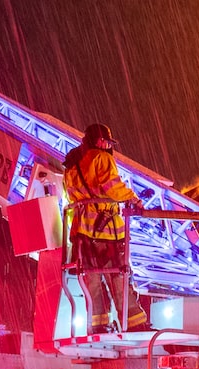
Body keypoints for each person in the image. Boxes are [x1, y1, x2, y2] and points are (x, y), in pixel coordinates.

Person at [63, 123, 148, 333]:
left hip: (82, 233)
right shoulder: (102, 158)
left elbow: (70, 195)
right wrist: (133, 199)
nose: (107, 145)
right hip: (107, 232)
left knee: (92, 280)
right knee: (118, 276)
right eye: (105, 141)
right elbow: (112, 186)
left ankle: (97, 325)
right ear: (95, 140)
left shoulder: (72, 165)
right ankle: (134, 324)